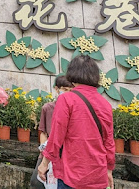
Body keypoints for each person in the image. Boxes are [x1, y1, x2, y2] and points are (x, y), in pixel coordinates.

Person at [38, 55, 115, 189]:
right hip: (98, 174)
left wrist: (44, 163)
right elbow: (109, 141)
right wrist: (109, 170)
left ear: (72, 74)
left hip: (71, 173)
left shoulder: (67, 99)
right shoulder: (105, 104)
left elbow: (56, 136)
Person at [30, 76, 73, 189]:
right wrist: (44, 148)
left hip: (65, 153)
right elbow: (43, 132)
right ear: (57, 89)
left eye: (70, 90)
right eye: (64, 89)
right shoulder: (48, 108)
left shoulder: (73, 108)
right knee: (36, 181)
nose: (67, 92)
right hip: (48, 150)